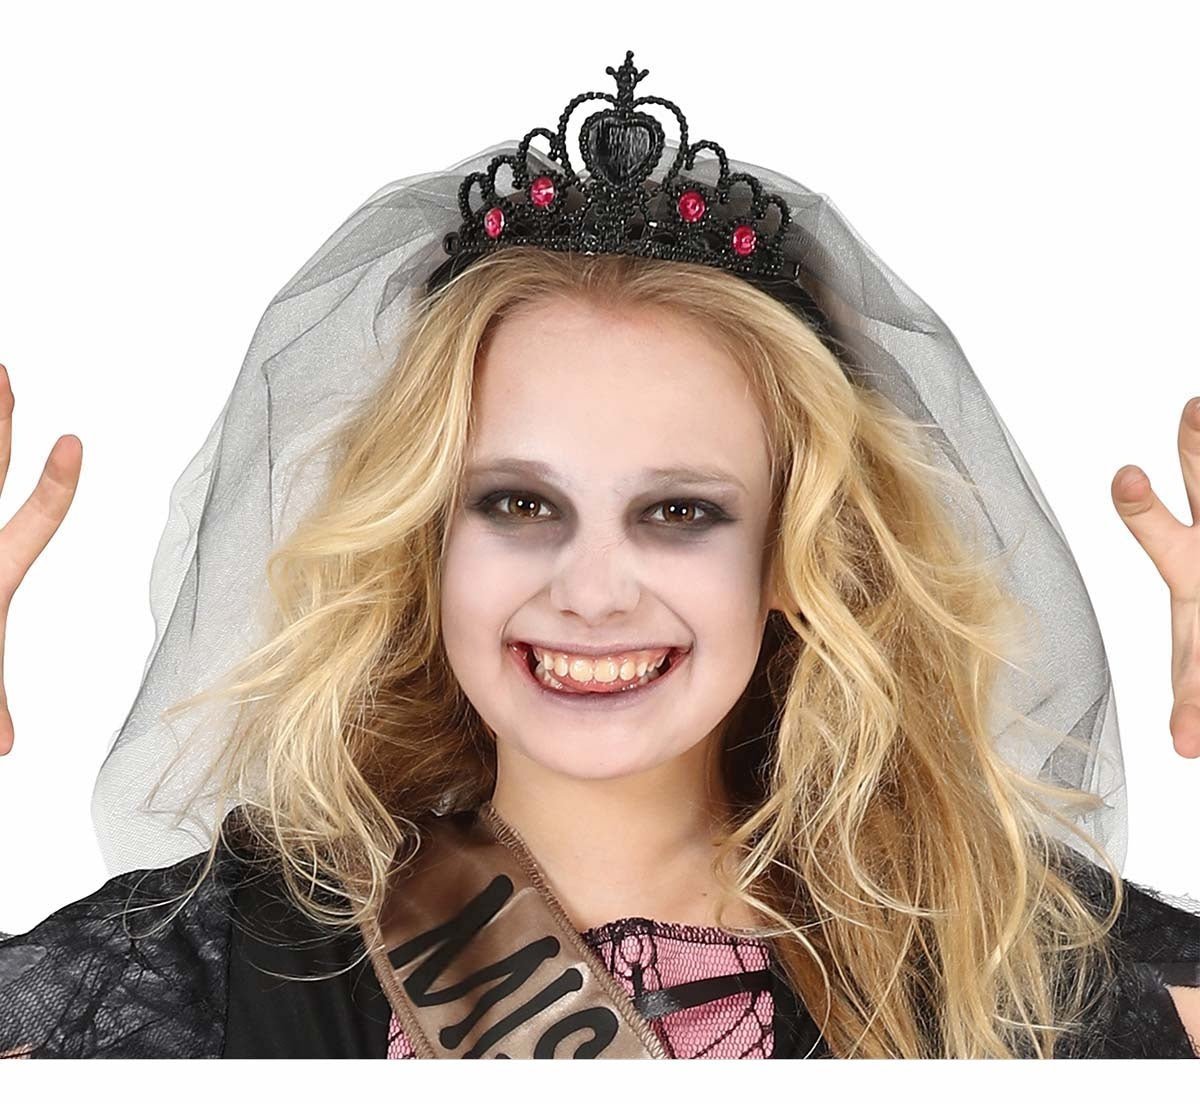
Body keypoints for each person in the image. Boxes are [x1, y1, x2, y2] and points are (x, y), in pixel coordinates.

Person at [0, 50, 1197, 1060]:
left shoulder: (1008, 957)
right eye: (519, 503)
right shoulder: (227, 956)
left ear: (793, 553)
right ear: (428, 540)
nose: (590, 590)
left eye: (680, 513)